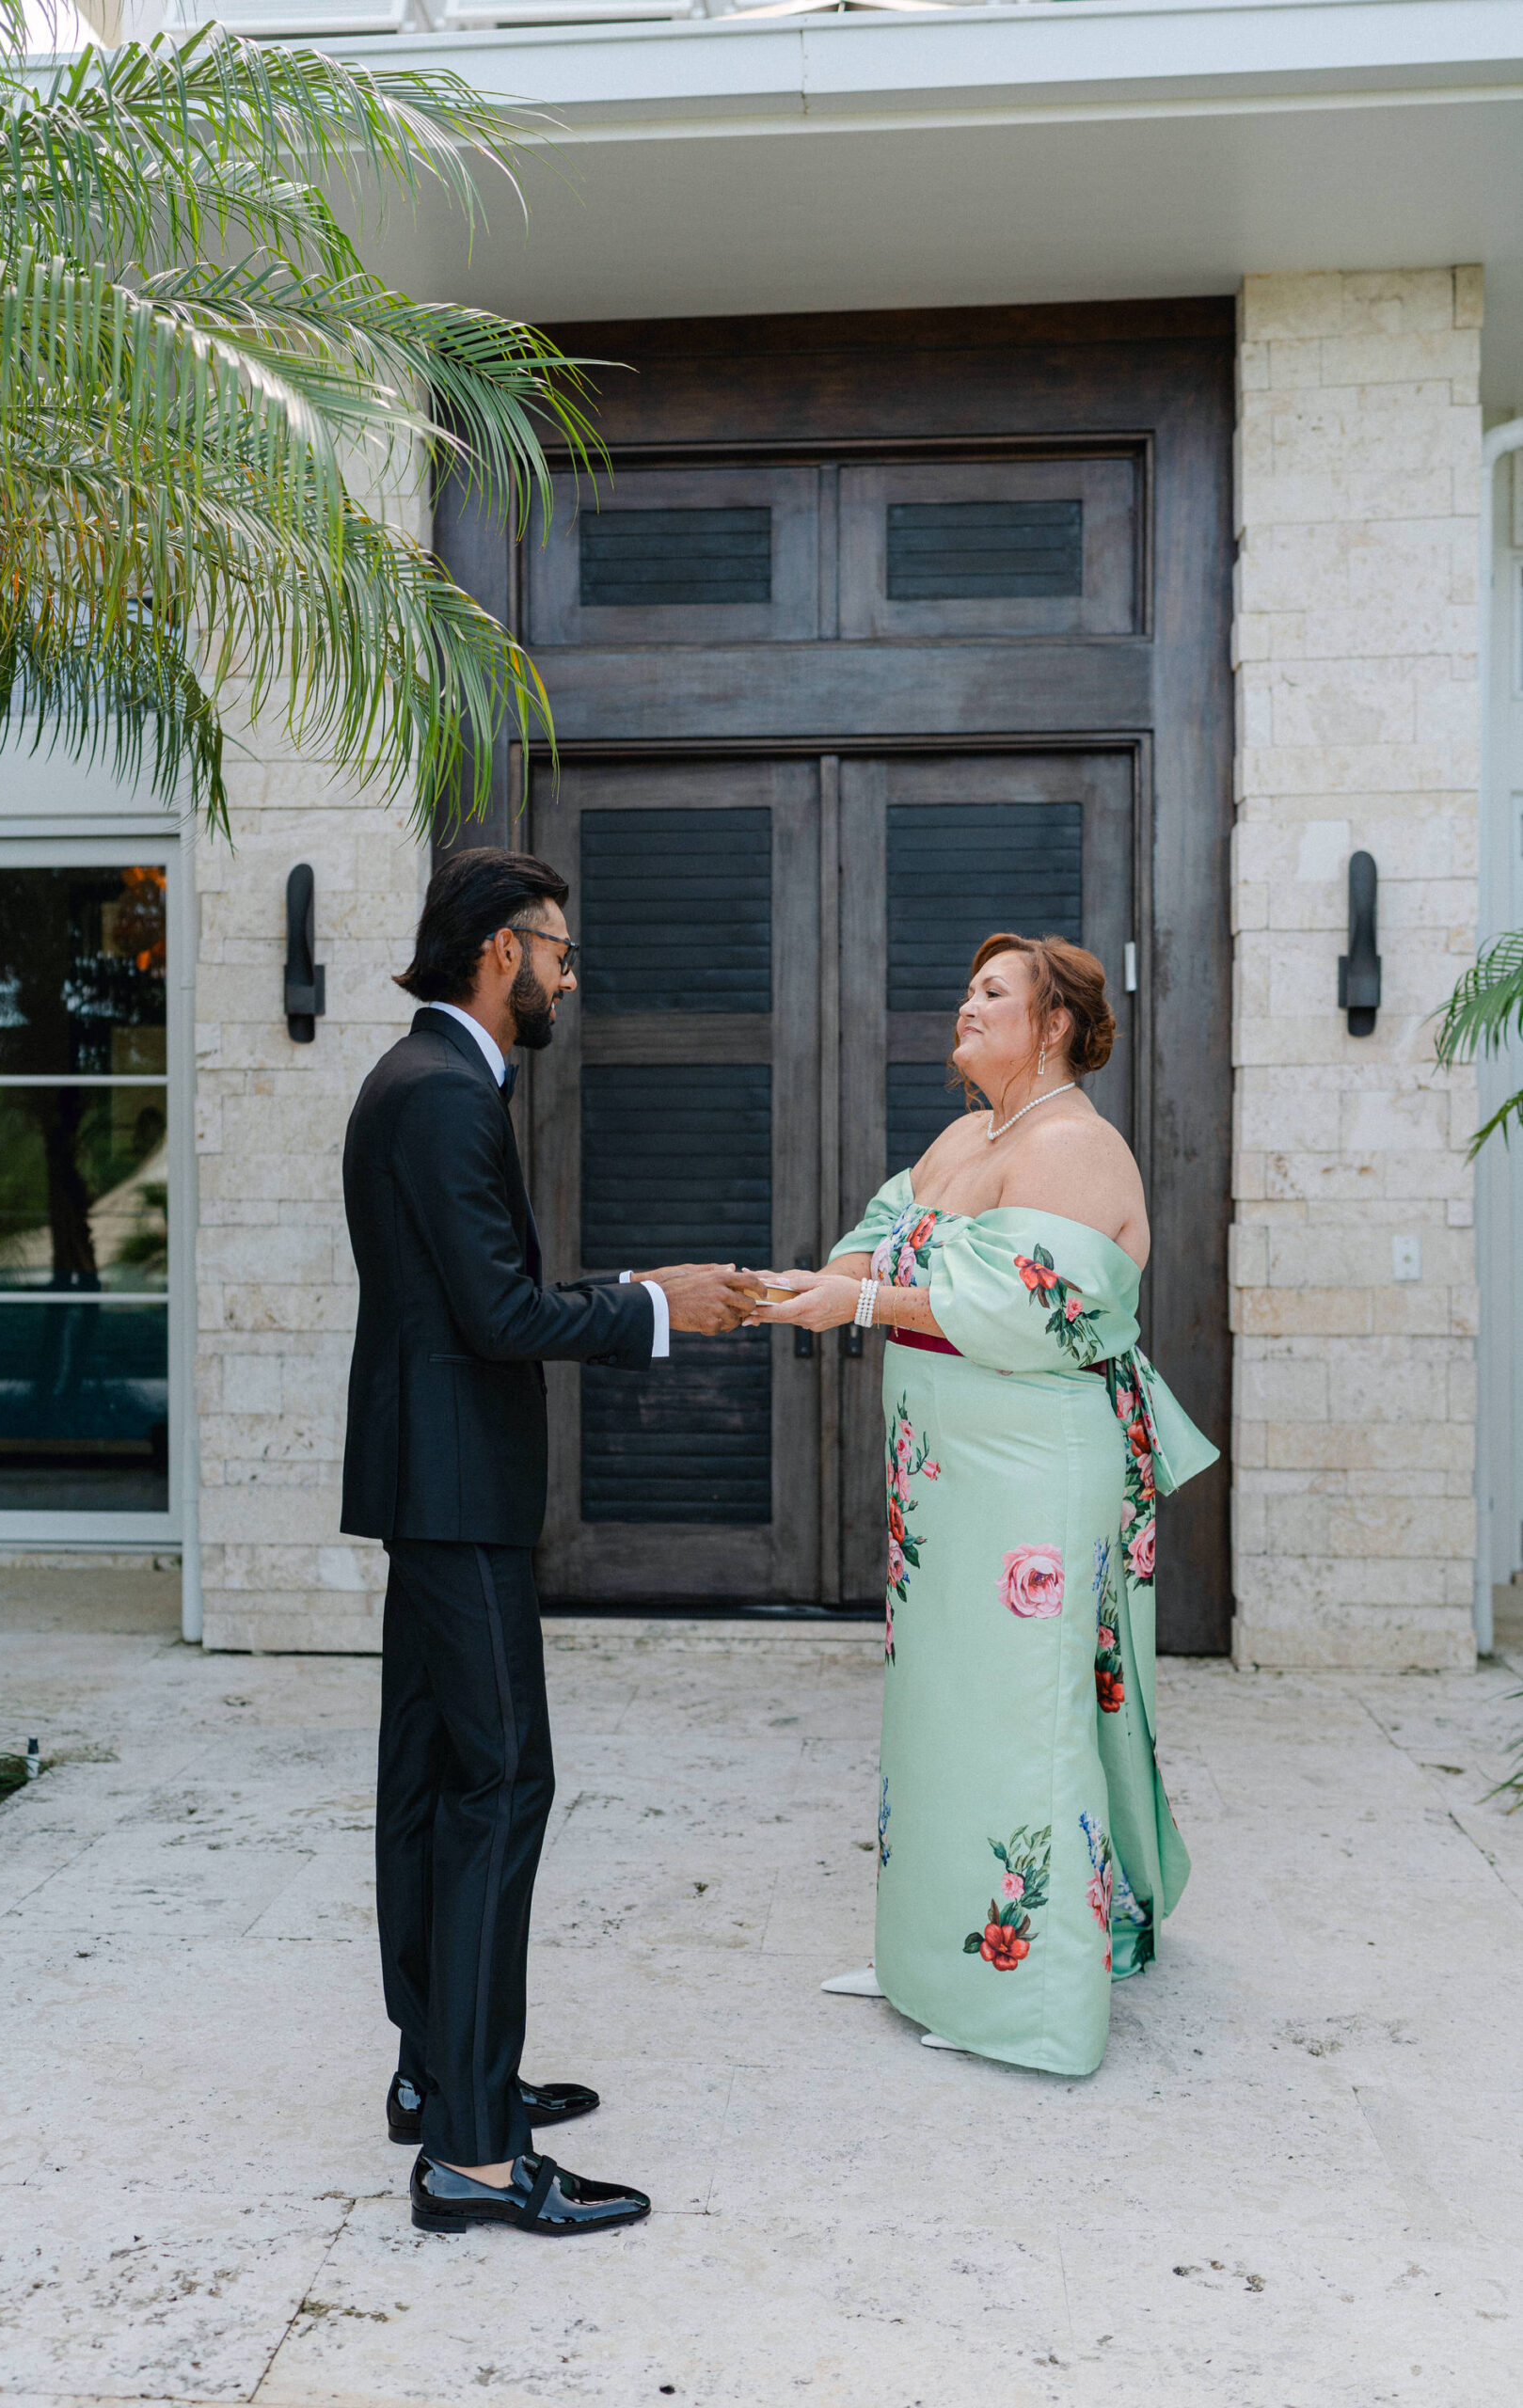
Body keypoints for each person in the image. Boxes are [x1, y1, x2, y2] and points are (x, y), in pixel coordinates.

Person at [341, 848, 757, 2236]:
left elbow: (476, 1297)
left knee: (432, 1782)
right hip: (457, 1494)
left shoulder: (421, 1080)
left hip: (433, 1483)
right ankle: (470, 2154)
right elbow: (500, 1317)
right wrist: (659, 1307)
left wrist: (636, 1286)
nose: (570, 979)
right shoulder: (443, 1093)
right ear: (497, 948)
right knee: (503, 1783)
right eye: (560, 954)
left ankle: (441, 2075)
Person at [752, 932, 1216, 2076]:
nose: (965, 1005)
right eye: (967, 988)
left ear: (1053, 1025)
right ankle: (928, 1958)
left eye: (992, 993)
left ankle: (1032, 2008)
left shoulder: (1074, 1144)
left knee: (1023, 1720)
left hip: (1032, 1469)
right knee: (941, 1709)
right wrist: (825, 1285)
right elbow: (874, 1244)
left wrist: (864, 1301)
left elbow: (1021, 1309)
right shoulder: (968, 1135)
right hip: (943, 1477)